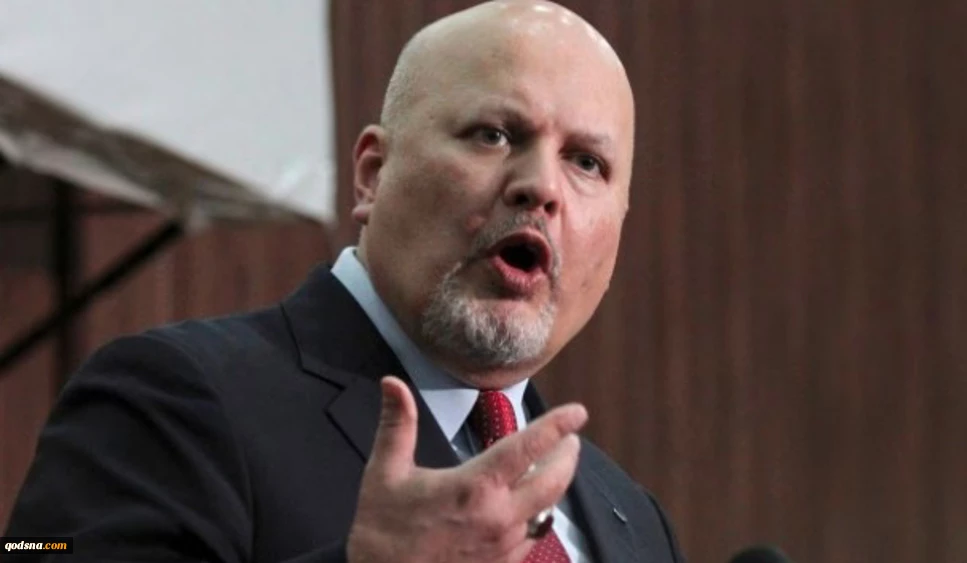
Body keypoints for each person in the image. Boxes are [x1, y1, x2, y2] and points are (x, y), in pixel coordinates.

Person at [4, 1, 685, 562]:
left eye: (587, 162)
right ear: (372, 174)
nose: (541, 186)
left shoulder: (633, 520)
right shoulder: (168, 398)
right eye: (493, 134)